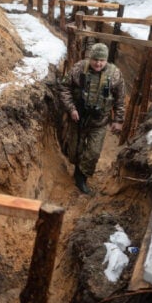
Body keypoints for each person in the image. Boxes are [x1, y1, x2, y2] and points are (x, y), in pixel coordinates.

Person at [59, 42, 125, 194]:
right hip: (78, 118)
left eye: (102, 60)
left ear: (106, 60)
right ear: (90, 59)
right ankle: (77, 168)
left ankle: (82, 177)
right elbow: (64, 88)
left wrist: (118, 120)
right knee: (75, 150)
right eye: (95, 60)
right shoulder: (79, 68)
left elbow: (120, 99)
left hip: (100, 121)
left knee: (93, 152)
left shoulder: (115, 74)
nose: (98, 63)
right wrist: (71, 109)